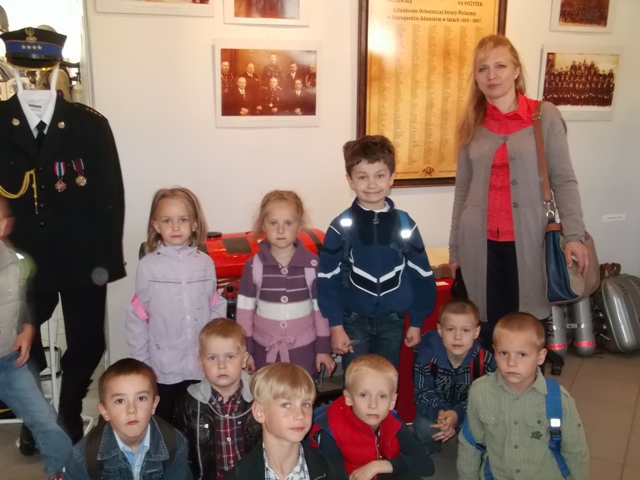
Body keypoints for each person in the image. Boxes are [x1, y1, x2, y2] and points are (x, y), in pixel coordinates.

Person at [0, 26, 126, 446]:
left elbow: (109, 196)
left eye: (41, 70)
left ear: (56, 70)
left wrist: (107, 259)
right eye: (25, 71)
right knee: (18, 342)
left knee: (88, 341)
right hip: (20, 260)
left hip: (81, 255)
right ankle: (37, 417)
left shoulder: (89, 125)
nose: (33, 79)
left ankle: (69, 409)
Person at [449, 35, 589, 351]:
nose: (491, 75)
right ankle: (490, 384)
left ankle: (525, 384)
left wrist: (575, 236)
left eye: (500, 66)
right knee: (486, 330)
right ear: (476, 77)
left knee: (526, 330)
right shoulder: (471, 123)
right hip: (479, 244)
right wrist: (455, 250)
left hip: (530, 241)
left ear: (515, 70)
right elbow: (462, 192)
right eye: (482, 68)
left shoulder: (543, 115)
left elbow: (564, 180)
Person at [317, 135, 436, 371]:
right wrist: (335, 326)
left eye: (379, 176)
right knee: (356, 379)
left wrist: (417, 322)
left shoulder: (405, 224)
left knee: (386, 378)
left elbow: (421, 275)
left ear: (392, 177)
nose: (372, 185)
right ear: (350, 180)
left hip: (393, 320)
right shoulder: (341, 226)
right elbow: (327, 280)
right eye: (362, 177)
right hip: (353, 320)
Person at [125, 187, 227, 425]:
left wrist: (217, 353)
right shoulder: (149, 267)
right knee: (166, 425)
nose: (175, 227)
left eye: (183, 220)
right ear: (156, 225)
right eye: (167, 221)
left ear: (194, 223)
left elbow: (215, 308)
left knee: (200, 423)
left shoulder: (205, 263)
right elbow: (137, 317)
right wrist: (143, 364)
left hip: (201, 366)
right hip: (163, 368)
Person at [457, 312, 589, 479]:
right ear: (494, 352)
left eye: (522, 354)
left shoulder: (558, 399)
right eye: (503, 353)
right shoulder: (480, 392)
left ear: (540, 357)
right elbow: (470, 444)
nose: (511, 362)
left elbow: (575, 451)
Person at [0, 198, 70, 480]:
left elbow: (26, 302)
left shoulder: (19, 264)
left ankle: (65, 472)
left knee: (46, 421)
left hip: (9, 362)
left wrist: (27, 328)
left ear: (5, 225)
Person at [236, 190, 334, 378]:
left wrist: (323, 348)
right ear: (263, 225)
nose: (280, 230)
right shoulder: (254, 266)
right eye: (273, 223)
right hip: (264, 351)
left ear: (299, 225)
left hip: (303, 351)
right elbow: (244, 313)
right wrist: (246, 351)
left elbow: (321, 310)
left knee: (300, 392)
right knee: (267, 392)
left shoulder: (312, 264)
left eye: (288, 223)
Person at [310, 354, 434, 479]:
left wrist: (377, 466)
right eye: (364, 395)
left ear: (392, 401)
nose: (373, 405)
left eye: (382, 396)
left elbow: (426, 466)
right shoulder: (331, 432)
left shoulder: (392, 420)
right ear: (348, 398)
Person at [64, 358, 191, 479]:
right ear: (105, 411)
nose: (131, 409)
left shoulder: (175, 444)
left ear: (154, 404)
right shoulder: (83, 456)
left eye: (141, 398)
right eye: (120, 401)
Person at [222, 362, 347, 479]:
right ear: (259, 412)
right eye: (286, 405)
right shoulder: (239, 475)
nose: (300, 415)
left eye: (306, 404)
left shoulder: (331, 471)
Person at [174, 318, 262, 480]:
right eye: (212, 358)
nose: (221, 365)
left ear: (244, 360)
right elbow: (181, 455)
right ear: (201, 362)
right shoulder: (189, 404)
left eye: (230, 357)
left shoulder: (260, 398)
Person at [413, 298, 496, 455]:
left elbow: (487, 399)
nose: (458, 337)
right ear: (440, 330)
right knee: (424, 428)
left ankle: (475, 450)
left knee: (487, 425)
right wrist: (440, 413)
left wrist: (457, 414)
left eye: (465, 330)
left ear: (476, 332)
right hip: (437, 411)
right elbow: (422, 394)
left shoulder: (486, 361)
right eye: (450, 329)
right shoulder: (426, 358)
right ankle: (428, 449)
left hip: (470, 411)